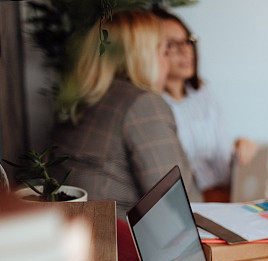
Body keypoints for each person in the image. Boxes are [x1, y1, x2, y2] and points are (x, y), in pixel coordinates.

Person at [52, 10, 201, 217]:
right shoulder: (143, 105)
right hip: (121, 244)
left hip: (76, 237)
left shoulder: (80, 100)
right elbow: (177, 208)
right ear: (144, 57)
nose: (167, 62)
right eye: (164, 52)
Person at [152, 8, 257, 202]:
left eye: (187, 41)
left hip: (227, 193)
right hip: (194, 203)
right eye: (172, 45)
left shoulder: (202, 93)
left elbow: (222, 159)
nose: (185, 51)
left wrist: (239, 148)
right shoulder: (153, 105)